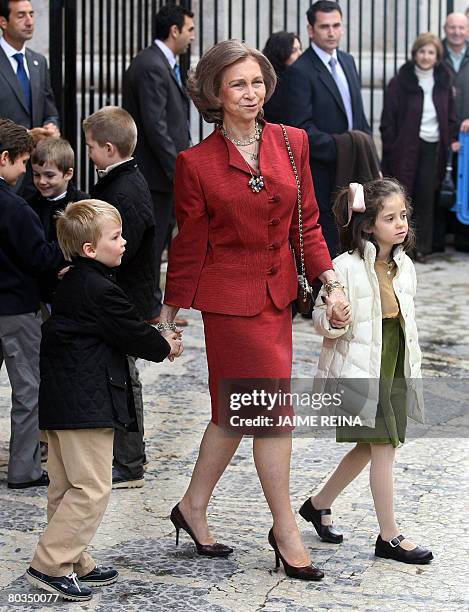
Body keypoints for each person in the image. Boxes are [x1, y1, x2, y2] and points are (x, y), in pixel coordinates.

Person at [160, 40, 351, 581]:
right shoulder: (194, 164)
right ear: (215, 95)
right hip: (228, 306)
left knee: (233, 414)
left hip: (277, 300)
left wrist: (329, 282)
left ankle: (192, 507)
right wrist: (168, 316)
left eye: (257, 82)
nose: (251, 92)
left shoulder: (291, 143)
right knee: (271, 415)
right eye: (237, 84)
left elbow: (308, 222)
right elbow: (190, 244)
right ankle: (285, 528)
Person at [26, 199, 182, 602]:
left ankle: (74, 558)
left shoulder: (73, 280)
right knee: (92, 488)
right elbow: (133, 332)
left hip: (61, 400)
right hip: (85, 404)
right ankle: (50, 563)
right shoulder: (99, 290)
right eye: (115, 237)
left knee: (64, 487)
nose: (124, 241)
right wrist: (164, 344)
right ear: (89, 249)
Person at [301, 178, 433, 565]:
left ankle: (318, 504)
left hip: (393, 361)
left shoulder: (405, 266)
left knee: (368, 446)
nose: (400, 224)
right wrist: (334, 316)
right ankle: (389, 536)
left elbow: (405, 322)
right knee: (384, 447)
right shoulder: (342, 268)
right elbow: (323, 323)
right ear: (368, 224)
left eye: (403, 216)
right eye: (390, 217)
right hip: (362, 368)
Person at [83, 106, 158, 489]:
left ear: (109, 149)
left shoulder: (124, 190)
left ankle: (130, 462)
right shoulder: (121, 180)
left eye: (92, 147)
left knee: (123, 378)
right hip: (123, 294)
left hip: (124, 297)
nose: (89, 153)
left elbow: (121, 249)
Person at [0, 118, 63, 489]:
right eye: (23, 163)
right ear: (5, 158)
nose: (25, 171)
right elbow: (40, 258)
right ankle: (24, 469)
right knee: (28, 391)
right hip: (15, 309)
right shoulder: (15, 208)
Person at [122, 3, 195, 324]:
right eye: (189, 30)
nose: (192, 36)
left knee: (161, 240)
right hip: (155, 174)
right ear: (174, 30)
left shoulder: (162, 63)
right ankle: (149, 308)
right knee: (151, 243)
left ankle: (153, 304)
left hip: (162, 173)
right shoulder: (151, 65)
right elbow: (155, 126)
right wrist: (177, 167)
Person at [286, 1, 371, 257]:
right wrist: (342, 146)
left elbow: (358, 114)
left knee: (358, 237)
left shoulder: (348, 60)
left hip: (353, 167)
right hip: (323, 173)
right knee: (330, 242)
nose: (332, 32)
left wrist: (363, 146)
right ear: (311, 31)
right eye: (325, 27)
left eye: (336, 26)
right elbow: (300, 130)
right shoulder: (300, 71)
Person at [380, 33, 458, 262]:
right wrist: (392, 145)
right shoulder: (401, 81)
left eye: (431, 52)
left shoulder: (443, 81)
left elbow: (450, 114)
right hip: (405, 148)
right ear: (415, 54)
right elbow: (389, 118)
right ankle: (400, 247)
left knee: (426, 198)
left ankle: (421, 248)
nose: (426, 57)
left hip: (434, 146)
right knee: (403, 197)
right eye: (422, 51)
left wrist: (452, 137)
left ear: (437, 56)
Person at [0, 0, 60, 196]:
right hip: (6, 172)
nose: (29, 21)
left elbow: (49, 108)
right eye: (21, 15)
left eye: (32, 14)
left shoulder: (39, 62)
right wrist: (26, 135)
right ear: (3, 22)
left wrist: (51, 126)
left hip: (37, 174)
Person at [29, 137, 88, 305]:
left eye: (49, 175)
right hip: (38, 292)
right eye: (36, 175)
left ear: (68, 174)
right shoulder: (28, 205)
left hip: (72, 292)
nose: (41, 181)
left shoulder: (82, 203)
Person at [443, 12, 469, 252]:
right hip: (444, 131)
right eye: (452, 27)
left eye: (461, 28)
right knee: (444, 181)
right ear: (445, 28)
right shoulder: (436, 54)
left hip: (468, 132)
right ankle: (443, 237)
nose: (457, 32)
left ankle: (464, 240)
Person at [262, 31, 302, 124]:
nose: (300, 54)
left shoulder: (297, 76)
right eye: (293, 51)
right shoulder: (268, 80)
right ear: (280, 52)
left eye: (300, 49)